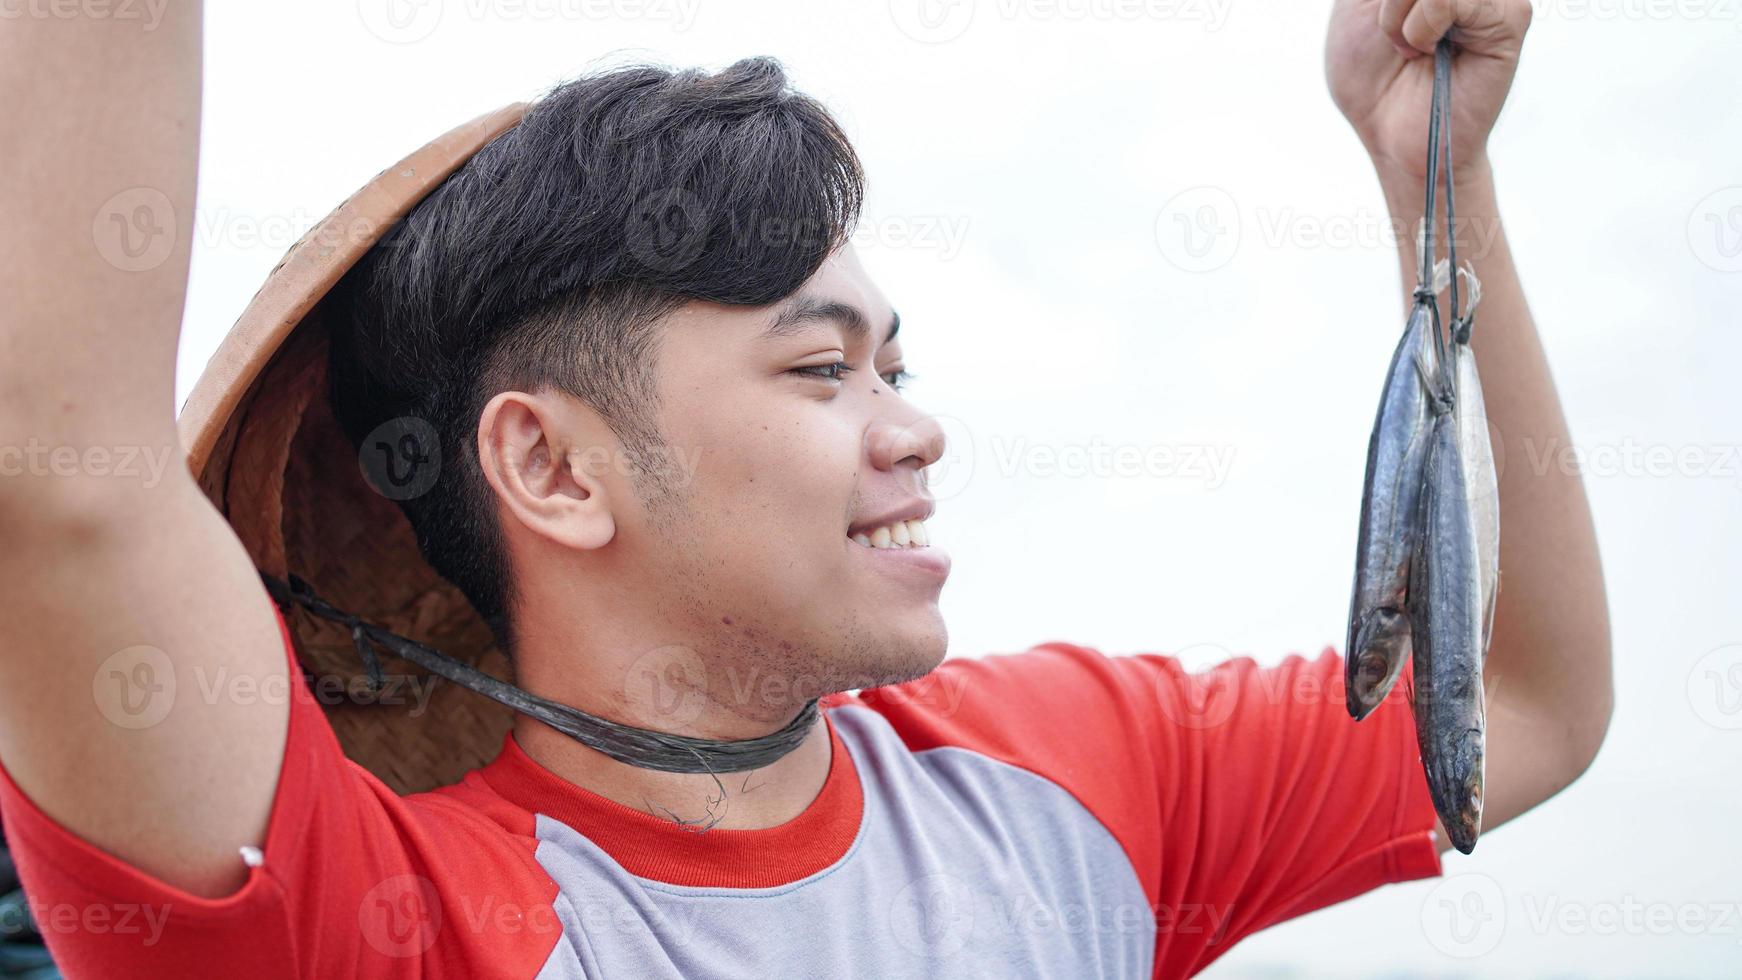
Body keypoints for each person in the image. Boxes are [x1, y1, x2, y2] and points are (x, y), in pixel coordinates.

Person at [0, 0, 1612, 976]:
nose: (911, 432)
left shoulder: (1077, 780)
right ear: (550, 467)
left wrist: (1435, 175)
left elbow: (1521, 706)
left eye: (893, 368)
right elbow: (55, 483)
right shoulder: (374, 916)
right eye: (817, 368)